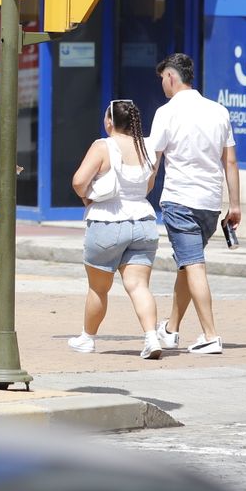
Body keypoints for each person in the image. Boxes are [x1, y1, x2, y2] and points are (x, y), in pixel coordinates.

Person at [147, 53, 240, 355]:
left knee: (194, 266)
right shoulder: (218, 111)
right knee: (187, 265)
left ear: (172, 77)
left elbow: (154, 159)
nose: (162, 84)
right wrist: (235, 204)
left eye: (163, 78)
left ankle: (210, 335)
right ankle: (171, 330)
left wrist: (141, 193)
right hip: (210, 205)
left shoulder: (166, 112)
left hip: (180, 200)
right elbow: (231, 160)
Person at [67, 100, 164, 360]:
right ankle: (151, 337)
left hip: (107, 222)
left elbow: (78, 181)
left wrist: (87, 197)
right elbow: (148, 187)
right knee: (138, 286)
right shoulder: (147, 147)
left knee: (98, 289)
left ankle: (88, 339)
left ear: (110, 121)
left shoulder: (103, 146)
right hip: (143, 222)